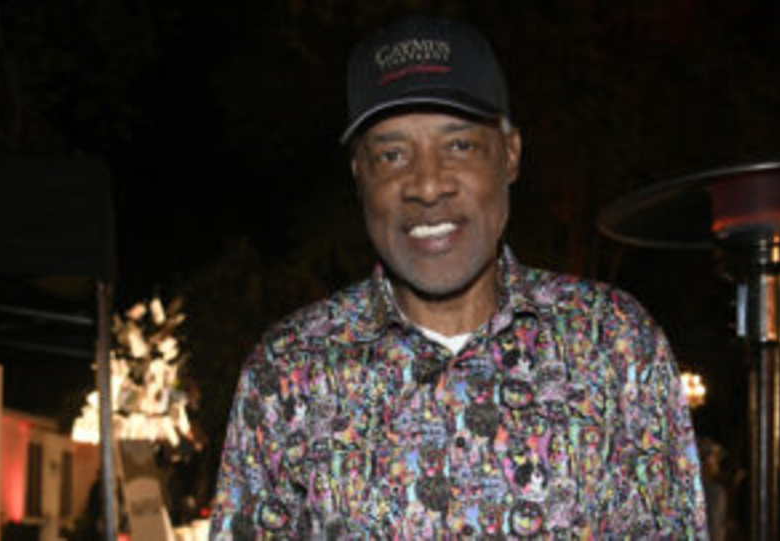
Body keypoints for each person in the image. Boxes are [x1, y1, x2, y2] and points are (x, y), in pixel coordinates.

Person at [209, 16, 708, 539]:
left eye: (459, 146)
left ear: (510, 155)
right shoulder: (288, 370)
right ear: (360, 175)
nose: (427, 185)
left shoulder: (616, 343)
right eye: (392, 155)